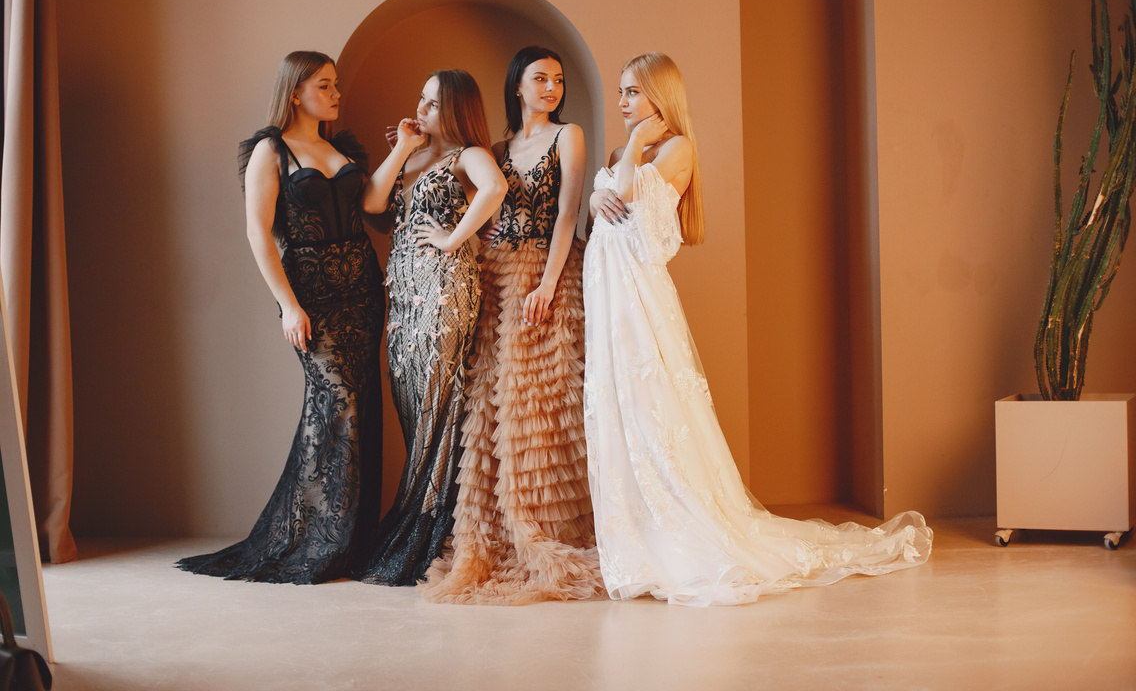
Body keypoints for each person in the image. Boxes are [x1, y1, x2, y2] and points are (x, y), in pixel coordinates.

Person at [583, 52, 932, 607]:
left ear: (658, 94)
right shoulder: (627, 153)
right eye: (620, 91)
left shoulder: (676, 149)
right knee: (621, 413)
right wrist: (598, 191)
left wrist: (621, 166)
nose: (622, 100)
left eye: (631, 91)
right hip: (609, 303)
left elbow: (627, 196)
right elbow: (606, 207)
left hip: (639, 303)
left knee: (654, 411)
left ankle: (682, 535)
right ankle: (637, 541)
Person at [178, 50, 393, 583]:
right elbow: (258, 232)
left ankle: (350, 540)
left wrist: (406, 148)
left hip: (362, 287)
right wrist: (289, 305)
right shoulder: (269, 150)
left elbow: (369, 206)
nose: (337, 93)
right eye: (326, 85)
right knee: (334, 402)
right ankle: (317, 539)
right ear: (295, 91)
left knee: (359, 408)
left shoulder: (338, 146)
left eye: (337, 84)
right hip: (311, 292)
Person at [419, 47, 601, 604]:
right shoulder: (496, 149)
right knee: (492, 406)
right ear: (516, 87)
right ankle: (493, 536)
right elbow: (486, 214)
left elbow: (568, 212)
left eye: (558, 80)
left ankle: (553, 531)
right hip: (498, 278)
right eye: (539, 79)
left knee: (541, 402)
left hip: (549, 273)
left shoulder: (566, 136)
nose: (551, 87)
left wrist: (546, 284)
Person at [358, 70, 508, 586]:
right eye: (419, 99)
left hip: (445, 291)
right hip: (402, 298)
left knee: (437, 406)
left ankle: (433, 532)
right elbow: (372, 204)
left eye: (431, 102)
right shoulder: (415, 154)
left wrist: (454, 239)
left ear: (455, 108)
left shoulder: (468, 154)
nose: (420, 108)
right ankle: (421, 518)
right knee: (410, 403)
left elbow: (496, 187)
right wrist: (402, 147)